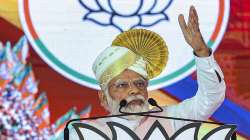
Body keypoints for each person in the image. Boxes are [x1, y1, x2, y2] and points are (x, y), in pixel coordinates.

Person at [70, 6, 225, 139]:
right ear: (103, 97)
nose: (134, 90)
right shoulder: (89, 134)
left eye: (140, 84)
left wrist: (202, 52)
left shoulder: (171, 118)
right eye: (122, 85)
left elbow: (211, 98)